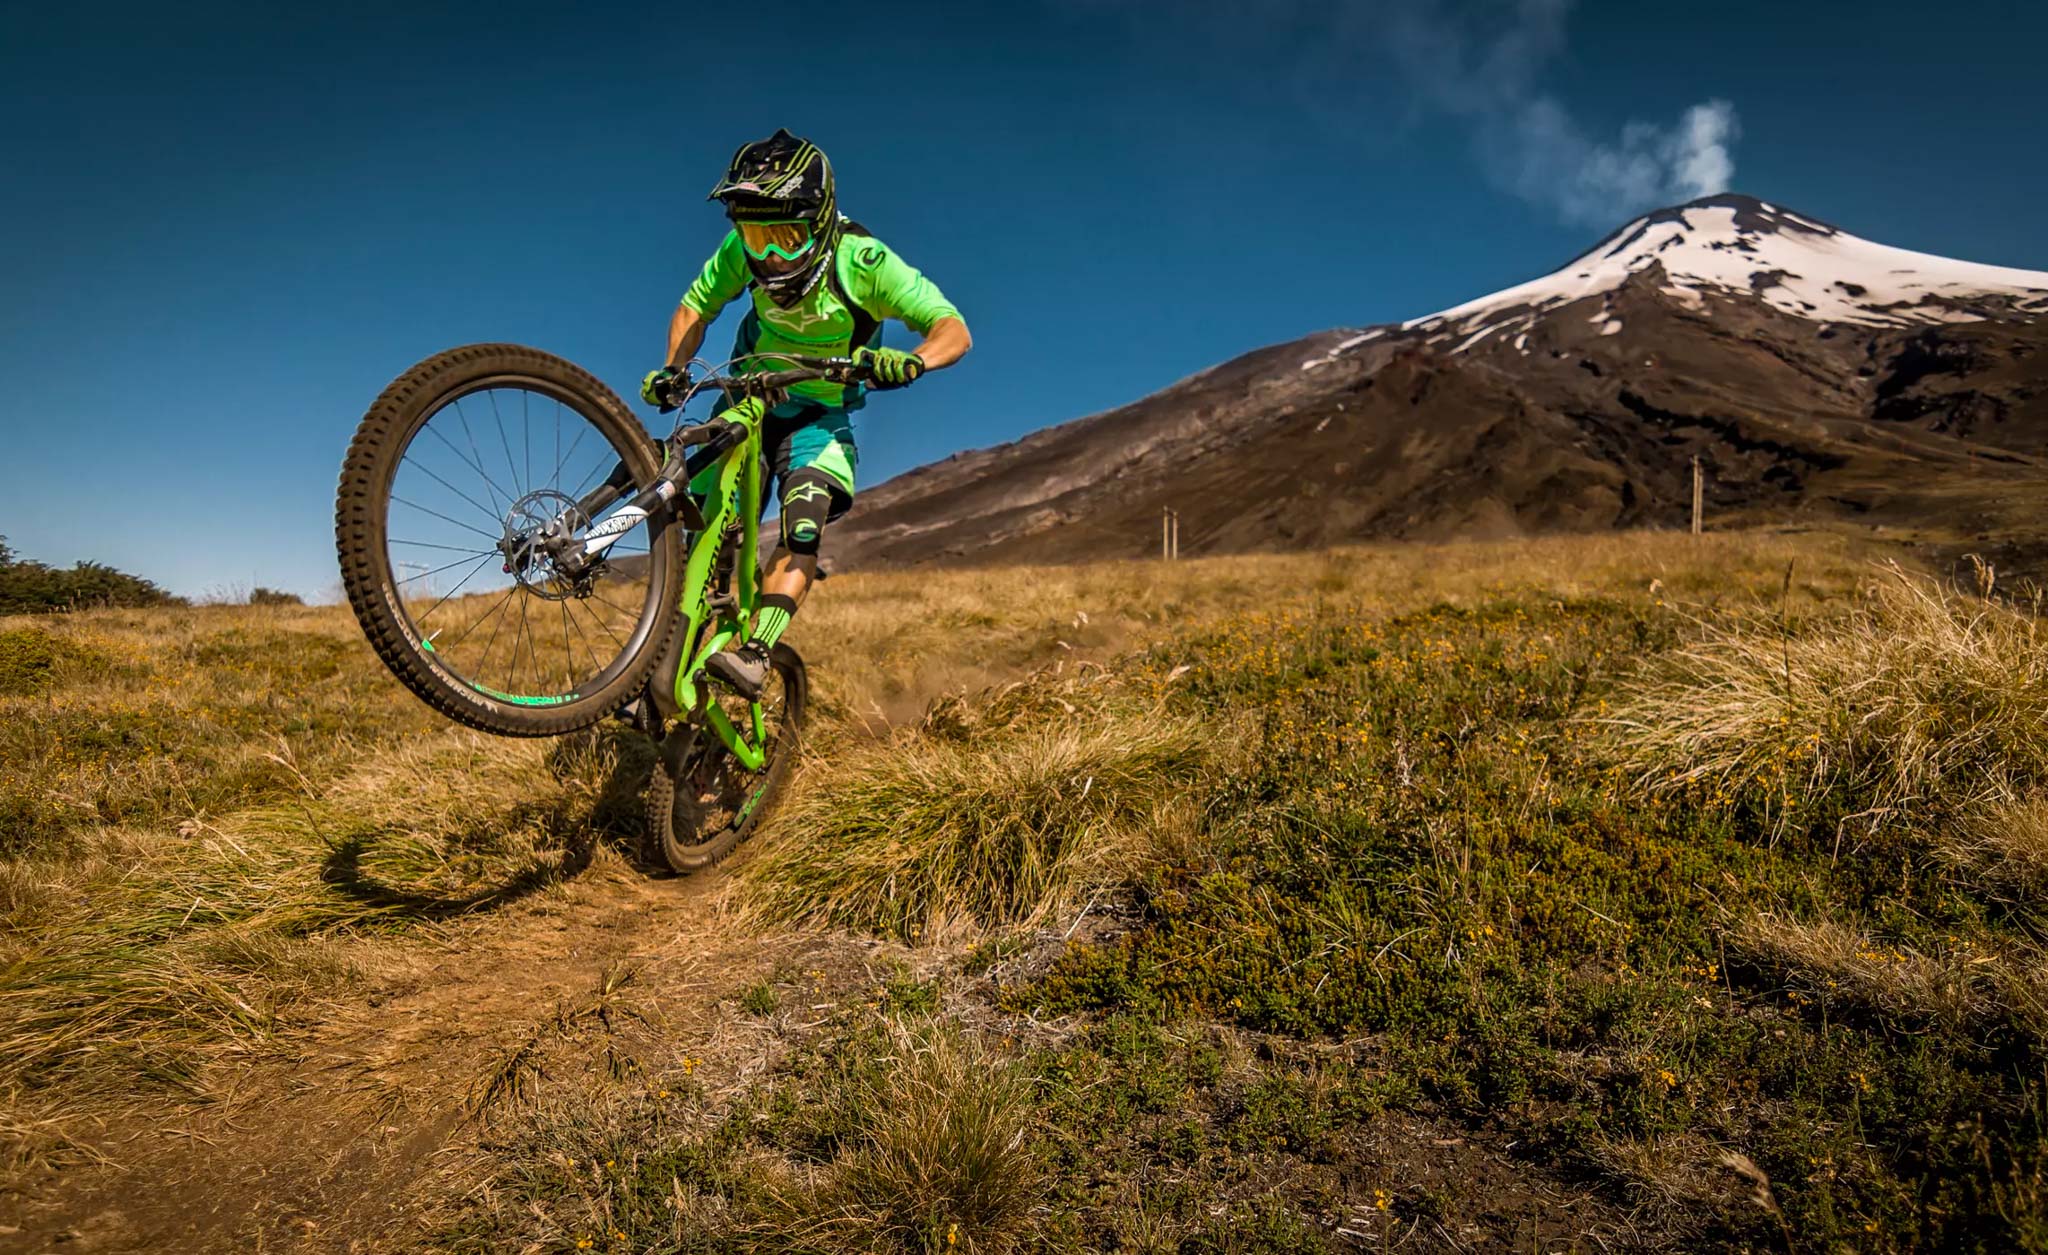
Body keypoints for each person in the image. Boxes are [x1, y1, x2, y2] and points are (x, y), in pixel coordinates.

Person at [642, 128, 971, 698]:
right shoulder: (739, 254)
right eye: (755, 236)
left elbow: (953, 329)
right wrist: (674, 368)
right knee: (703, 521)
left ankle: (755, 653)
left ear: (819, 224)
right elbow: (697, 305)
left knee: (802, 522)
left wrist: (912, 362)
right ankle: (669, 654)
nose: (768, 257)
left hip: (820, 416)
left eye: (786, 238)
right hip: (749, 399)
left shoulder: (864, 262)